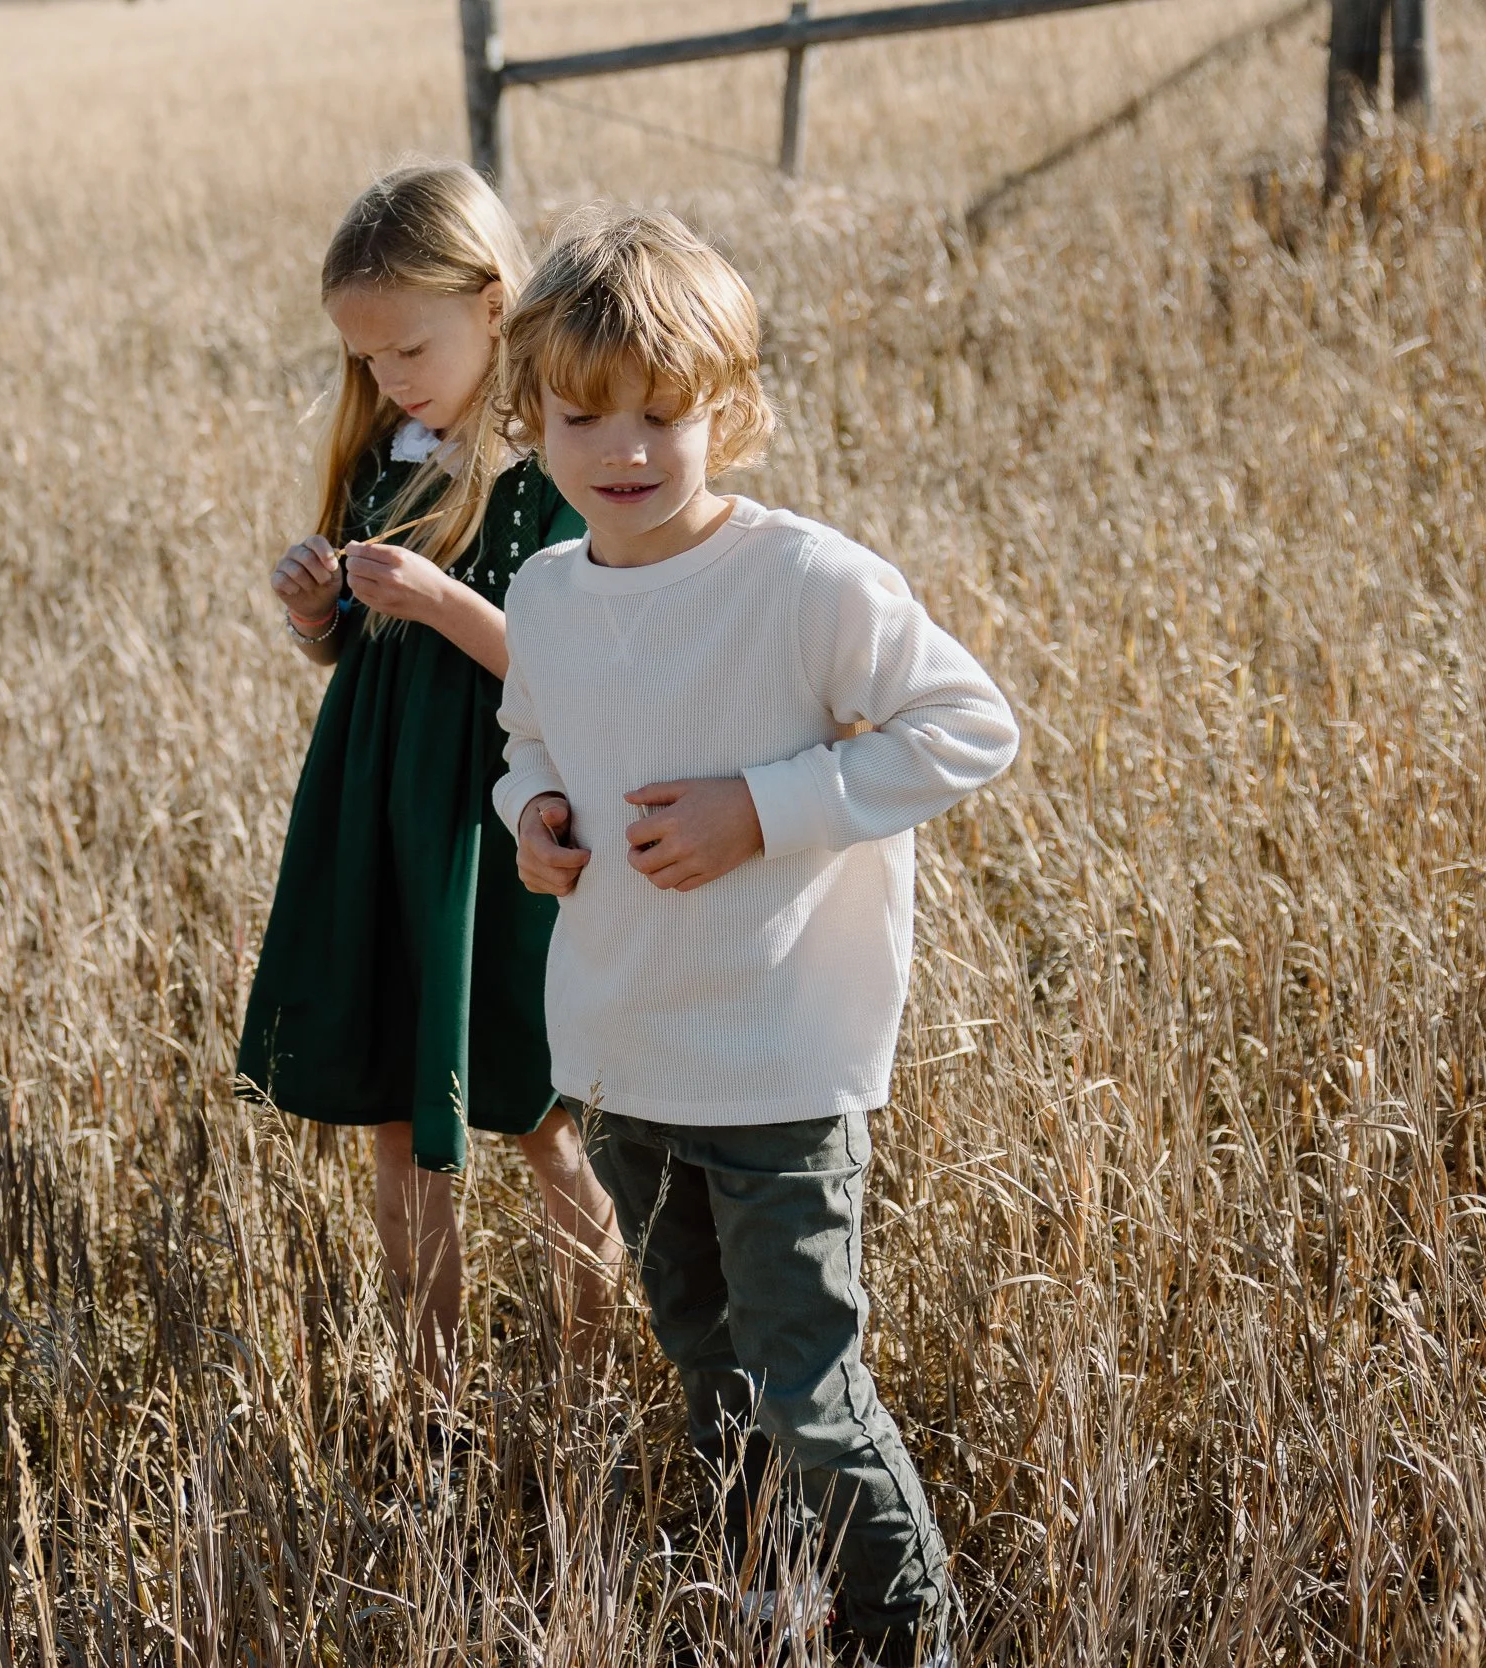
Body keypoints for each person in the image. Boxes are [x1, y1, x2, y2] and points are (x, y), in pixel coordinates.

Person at [491, 208, 1020, 1664]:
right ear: (528, 419)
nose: (623, 449)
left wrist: (763, 808)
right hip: (623, 1055)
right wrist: (534, 813)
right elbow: (529, 739)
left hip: (777, 1065)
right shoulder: (545, 592)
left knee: (808, 1390)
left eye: (661, 413)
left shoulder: (804, 582)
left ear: (727, 410)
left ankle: (905, 1632)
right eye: (583, 416)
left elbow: (968, 727)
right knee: (707, 1372)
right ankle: (766, 1597)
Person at [235, 162, 621, 1400]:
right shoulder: (387, 454)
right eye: (367, 358)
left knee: (539, 1110)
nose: (390, 377)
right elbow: (359, 653)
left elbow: (565, 672)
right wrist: (318, 616)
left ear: (494, 305)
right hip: (382, 821)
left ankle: (587, 1382)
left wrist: (442, 598)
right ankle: (431, 1392)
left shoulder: (553, 467)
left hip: (498, 824)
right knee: (402, 1117)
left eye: (410, 348)